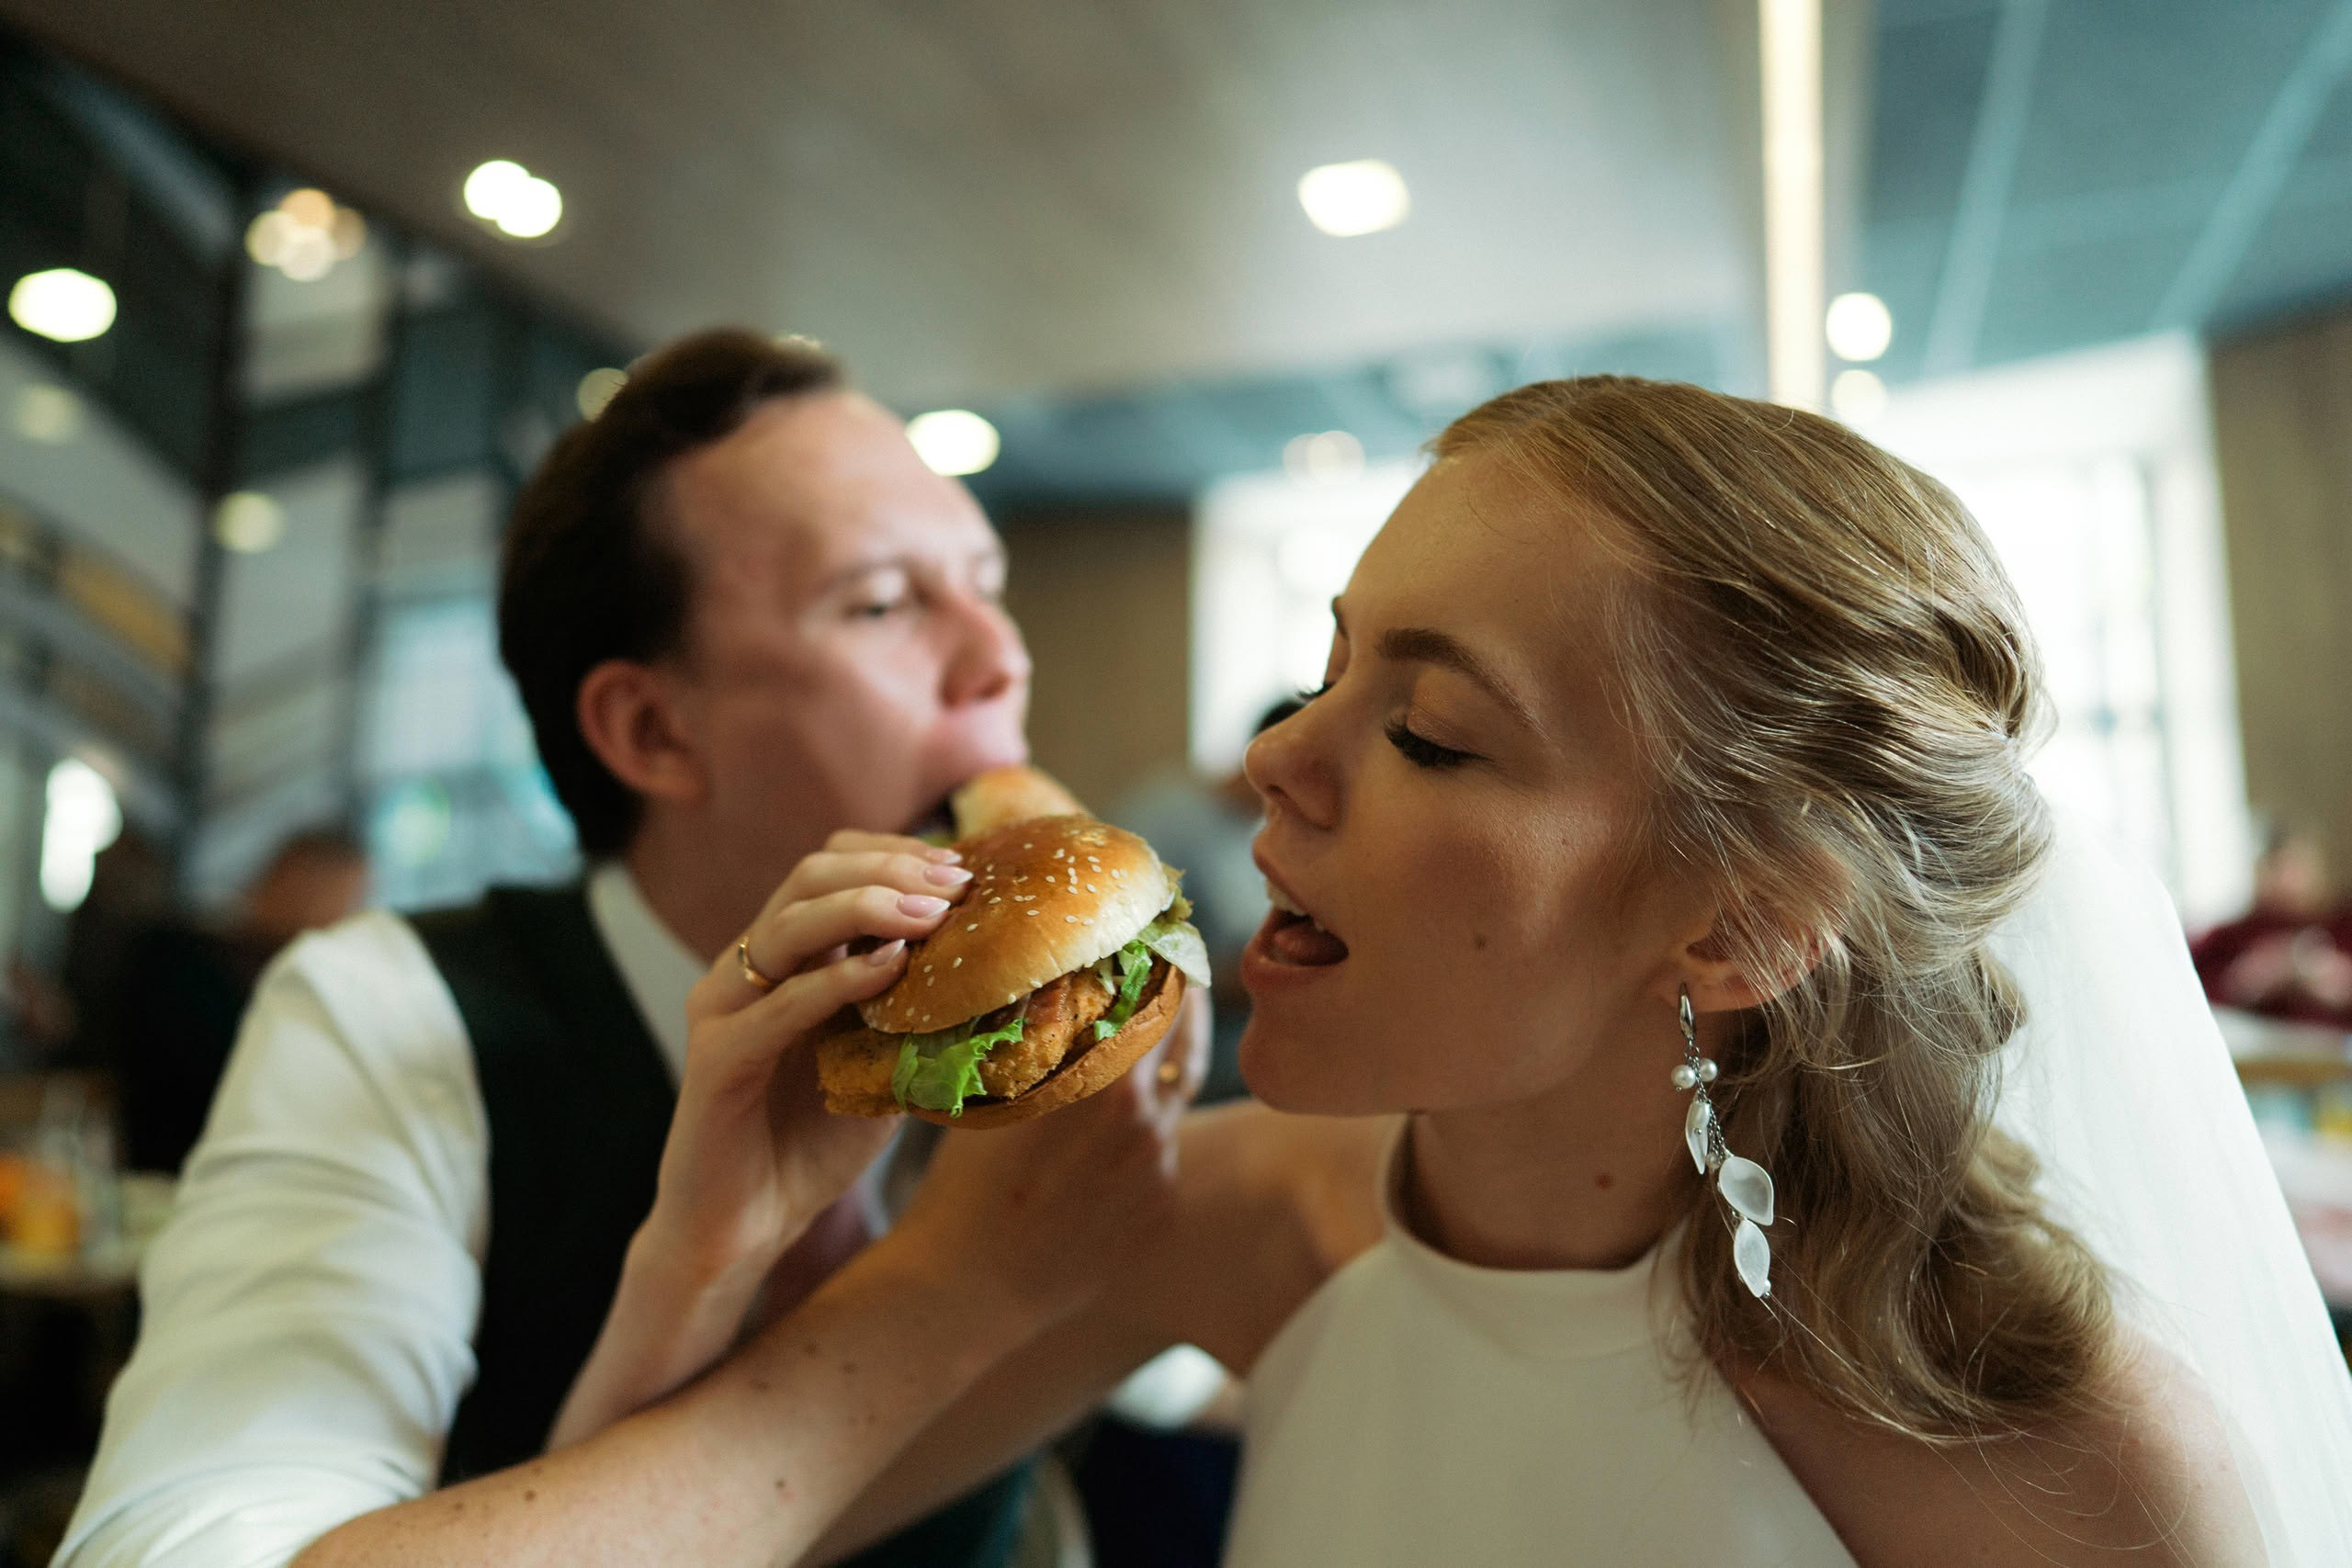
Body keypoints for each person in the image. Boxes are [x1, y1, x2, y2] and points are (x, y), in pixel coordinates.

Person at [600, 375, 2352, 1563]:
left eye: (1433, 733)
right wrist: (713, 1243)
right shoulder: (1204, 1207)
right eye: (1333, 667)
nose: (1279, 756)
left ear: (1736, 927)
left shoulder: (2045, 1435)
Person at [55, 329, 1200, 1567]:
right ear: (654, 729)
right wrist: (953, 1292)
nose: (1001, 656)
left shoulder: (1025, 1021)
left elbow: (1217, 1330)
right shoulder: (392, 1012)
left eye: (988, 580)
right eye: (881, 602)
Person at [114, 828, 369, 1173]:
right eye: (341, 901)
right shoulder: (180, 958)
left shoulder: (313, 983)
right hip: (172, 1180)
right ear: (289, 882)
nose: (347, 921)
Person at [1114, 697, 1301, 1102]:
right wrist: (1233, 976)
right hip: (1178, 1073)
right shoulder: (1165, 821)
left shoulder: (1272, 835)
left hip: (1249, 1067)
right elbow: (1119, 964)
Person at [2190, 825, 2352, 1028]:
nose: (2286, 879)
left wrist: (2333, 980)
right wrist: (2247, 979)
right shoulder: (2230, 937)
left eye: (2296, 867)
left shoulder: (2343, 925)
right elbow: (2195, 998)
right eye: (2276, 867)